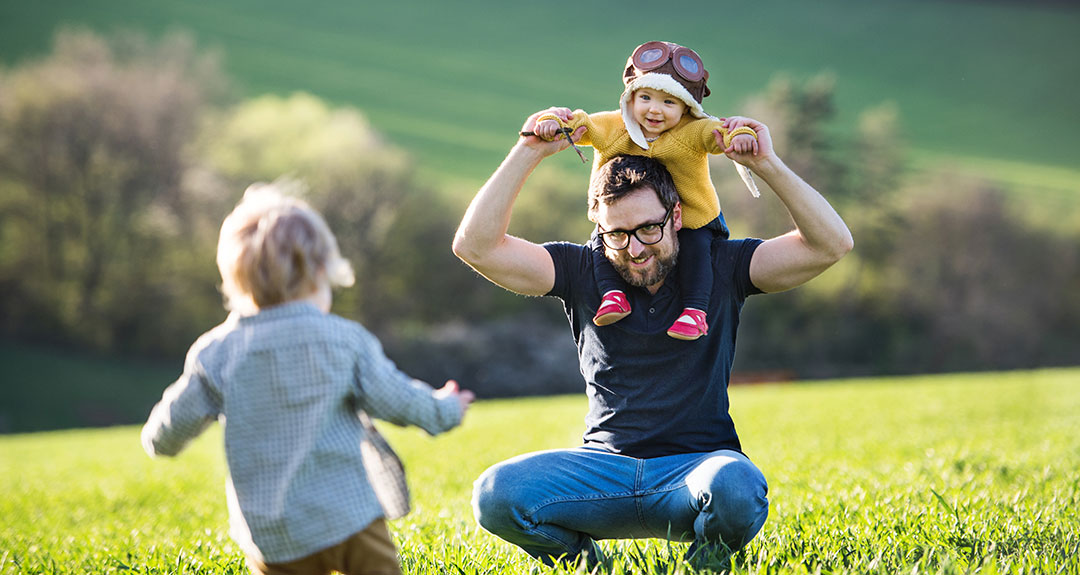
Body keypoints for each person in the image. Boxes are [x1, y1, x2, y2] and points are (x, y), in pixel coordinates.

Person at [452, 108, 852, 569]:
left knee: (737, 485)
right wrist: (530, 150)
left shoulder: (721, 265)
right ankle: (585, 565)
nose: (635, 248)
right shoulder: (582, 269)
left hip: (695, 474)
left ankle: (703, 564)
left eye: (648, 228)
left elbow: (830, 245)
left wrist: (765, 164)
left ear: (677, 214)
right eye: (617, 234)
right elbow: (475, 246)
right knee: (495, 495)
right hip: (604, 473)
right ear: (597, 224)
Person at [141, 184, 475, 575]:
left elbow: (165, 433)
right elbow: (398, 400)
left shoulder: (215, 353)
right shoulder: (344, 340)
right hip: (350, 518)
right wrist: (446, 408)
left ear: (235, 280)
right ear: (321, 271)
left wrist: (157, 439)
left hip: (273, 535)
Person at [531, 40, 761, 341]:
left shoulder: (690, 132)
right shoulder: (615, 127)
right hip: (620, 217)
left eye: (669, 103)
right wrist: (552, 121)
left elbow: (717, 132)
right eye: (646, 97)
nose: (655, 110)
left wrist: (741, 135)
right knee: (602, 245)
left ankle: (695, 312)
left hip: (693, 217)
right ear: (631, 98)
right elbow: (582, 124)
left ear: (686, 109)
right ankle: (613, 295)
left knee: (696, 252)